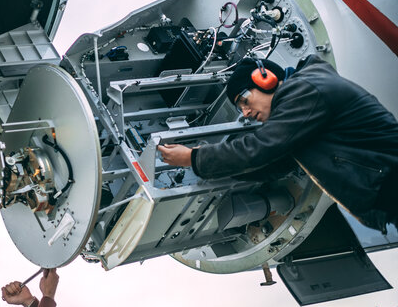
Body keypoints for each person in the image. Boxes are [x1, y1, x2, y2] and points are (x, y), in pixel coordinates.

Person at [157, 55, 398, 232]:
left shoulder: (304, 90)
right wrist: (211, 171)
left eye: (244, 101)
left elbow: (262, 147)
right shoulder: (302, 105)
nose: (246, 113)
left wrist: (194, 158)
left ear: (265, 79)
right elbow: (276, 164)